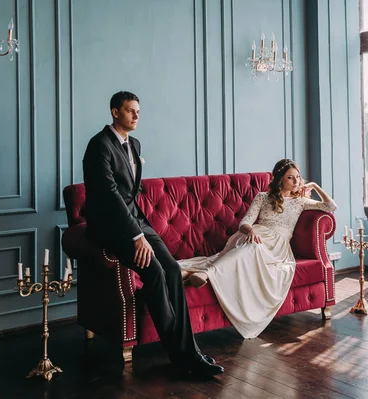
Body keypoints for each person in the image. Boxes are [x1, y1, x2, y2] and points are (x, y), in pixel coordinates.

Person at [82, 91, 224, 377]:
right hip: (112, 228)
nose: (136, 116)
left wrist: (141, 229)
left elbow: (131, 193)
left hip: (137, 223)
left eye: (138, 111)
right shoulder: (99, 146)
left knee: (171, 268)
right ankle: (182, 355)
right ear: (114, 112)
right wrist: (136, 236)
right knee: (155, 274)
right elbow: (110, 196)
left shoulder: (133, 143)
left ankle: (189, 350)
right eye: (130, 111)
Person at [179, 159, 337, 339]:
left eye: (298, 177)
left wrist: (314, 186)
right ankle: (206, 273)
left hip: (277, 247)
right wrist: (251, 230)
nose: (295, 182)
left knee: (251, 250)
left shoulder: (301, 201)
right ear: (280, 180)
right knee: (252, 247)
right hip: (255, 235)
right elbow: (244, 222)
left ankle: (195, 273)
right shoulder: (262, 197)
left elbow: (331, 206)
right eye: (290, 178)